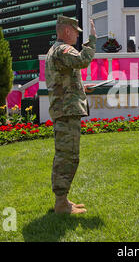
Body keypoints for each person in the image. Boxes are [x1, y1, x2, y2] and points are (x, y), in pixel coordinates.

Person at [45, 16, 97, 214]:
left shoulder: (55, 50)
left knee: (65, 154)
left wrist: (82, 88)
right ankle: (61, 203)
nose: (77, 35)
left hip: (63, 109)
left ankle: (63, 200)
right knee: (68, 156)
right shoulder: (63, 49)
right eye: (76, 32)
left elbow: (63, 79)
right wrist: (92, 40)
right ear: (67, 31)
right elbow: (83, 60)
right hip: (67, 111)